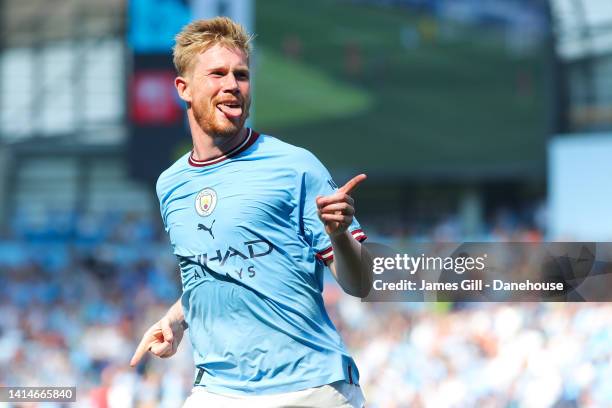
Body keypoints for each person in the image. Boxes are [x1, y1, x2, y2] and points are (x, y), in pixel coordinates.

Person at [129, 16, 372, 408]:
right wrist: (174, 322)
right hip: (218, 392)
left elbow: (360, 284)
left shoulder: (296, 167)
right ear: (183, 88)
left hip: (310, 389)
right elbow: (208, 273)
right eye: (218, 74)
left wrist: (339, 234)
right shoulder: (170, 185)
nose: (232, 85)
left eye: (241, 75)